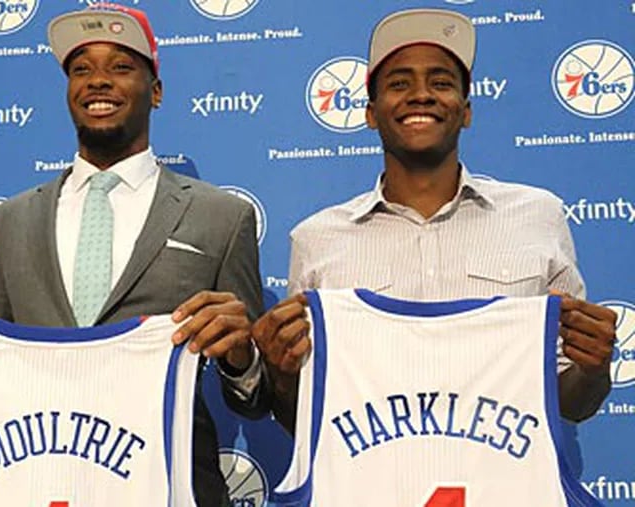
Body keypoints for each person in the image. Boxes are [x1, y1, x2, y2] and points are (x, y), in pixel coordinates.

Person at [0, 4, 268, 506]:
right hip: (37, 486)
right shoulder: (10, 222)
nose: (97, 82)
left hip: (170, 488)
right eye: (81, 69)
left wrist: (242, 358)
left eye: (120, 66)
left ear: (155, 92)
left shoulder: (221, 218)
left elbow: (257, 395)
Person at [252, 8, 616, 434]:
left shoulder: (538, 216)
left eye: (441, 83)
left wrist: (592, 369)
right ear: (370, 114)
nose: (421, 95)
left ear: (466, 111)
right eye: (399, 83)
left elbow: (573, 402)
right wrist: (283, 374)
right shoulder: (317, 239)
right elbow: (306, 417)